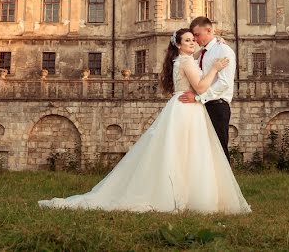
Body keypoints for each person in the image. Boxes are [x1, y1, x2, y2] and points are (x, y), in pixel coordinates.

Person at [38, 28, 251, 214]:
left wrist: (218, 42)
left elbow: (199, 63)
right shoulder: (186, 61)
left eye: (193, 39)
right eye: (187, 40)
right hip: (188, 107)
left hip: (182, 105)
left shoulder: (182, 60)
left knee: (178, 152)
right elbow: (202, 87)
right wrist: (215, 67)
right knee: (190, 152)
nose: (192, 42)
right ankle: (188, 195)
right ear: (178, 44)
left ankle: (179, 192)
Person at [179, 16, 234, 159]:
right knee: (203, 151)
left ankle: (224, 182)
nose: (195, 39)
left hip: (217, 106)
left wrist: (198, 98)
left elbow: (223, 83)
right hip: (201, 106)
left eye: (197, 35)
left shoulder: (223, 50)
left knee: (219, 150)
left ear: (209, 30)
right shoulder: (202, 53)